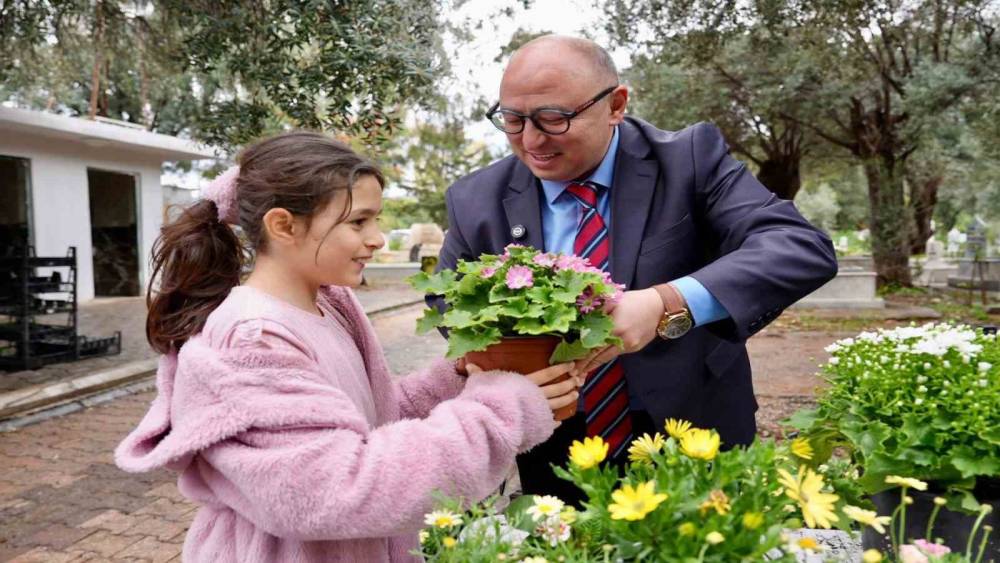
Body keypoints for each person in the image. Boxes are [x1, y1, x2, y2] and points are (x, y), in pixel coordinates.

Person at [115, 131, 581, 562]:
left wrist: (456, 380)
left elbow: (362, 418)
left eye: (375, 219)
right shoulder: (250, 338)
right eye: (359, 221)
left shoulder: (327, 304)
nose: (377, 239)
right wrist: (502, 411)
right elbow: (335, 489)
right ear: (283, 225)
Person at [434, 35, 838, 503]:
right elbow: (448, 300)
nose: (530, 140)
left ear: (616, 104)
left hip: (697, 430)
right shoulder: (475, 198)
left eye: (553, 118)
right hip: (556, 444)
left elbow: (799, 245)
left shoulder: (690, 160)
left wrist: (666, 304)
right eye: (512, 119)